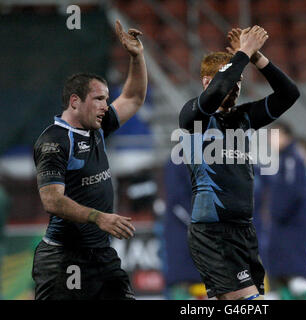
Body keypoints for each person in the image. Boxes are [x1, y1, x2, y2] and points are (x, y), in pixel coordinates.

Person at [178, 26, 300, 300]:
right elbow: (216, 92)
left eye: (240, 82)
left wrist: (257, 57)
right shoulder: (194, 117)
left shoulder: (243, 118)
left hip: (244, 231)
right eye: (231, 81)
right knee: (249, 303)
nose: (235, 88)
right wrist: (243, 51)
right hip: (212, 232)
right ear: (207, 82)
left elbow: (289, 94)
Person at [31, 20, 147, 300]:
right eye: (98, 99)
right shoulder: (54, 141)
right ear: (74, 101)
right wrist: (98, 218)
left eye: (107, 99)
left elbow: (133, 96)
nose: (105, 106)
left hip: (102, 257)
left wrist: (137, 57)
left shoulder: (97, 125)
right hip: (63, 259)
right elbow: (52, 200)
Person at [265, 121, 306, 300]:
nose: (270, 140)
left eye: (273, 135)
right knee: (284, 284)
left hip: (291, 232)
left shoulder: (290, 160)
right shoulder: (287, 159)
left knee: (296, 281)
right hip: (291, 230)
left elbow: (290, 194)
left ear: (285, 135)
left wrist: (275, 212)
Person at [162, 157, 203, 300]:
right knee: (180, 281)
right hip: (180, 234)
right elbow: (176, 203)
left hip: (201, 235)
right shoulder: (176, 161)